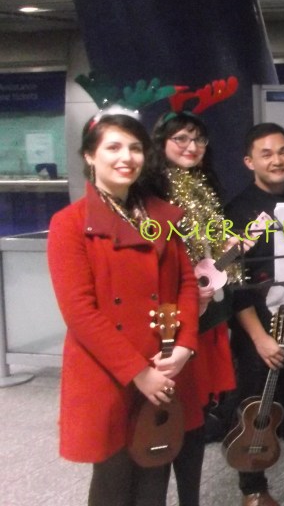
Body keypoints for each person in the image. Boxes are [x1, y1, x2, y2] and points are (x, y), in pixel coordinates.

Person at [48, 110, 200, 506]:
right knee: (113, 481)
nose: (126, 157)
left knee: (155, 470)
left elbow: (185, 284)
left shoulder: (161, 215)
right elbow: (79, 312)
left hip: (164, 361)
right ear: (89, 155)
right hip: (109, 371)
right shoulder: (69, 224)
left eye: (135, 148)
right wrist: (138, 372)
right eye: (113, 147)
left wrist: (185, 345)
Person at [225, 123, 284, 506]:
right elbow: (232, 284)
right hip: (256, 322)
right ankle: (253, 486)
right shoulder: (236, 209)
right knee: (254, 403)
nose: (277, 160)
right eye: (266, 154)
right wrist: (258, 338)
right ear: (250, 162)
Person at [152, 109, 239, 506]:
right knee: (170, 409)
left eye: (199, 139)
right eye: (182, 139)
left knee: (196, 410)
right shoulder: (152, 190)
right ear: (161, 142)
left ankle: (190, 496)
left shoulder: (204, 184)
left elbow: (212, 251)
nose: (192, 146)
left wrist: (230, 249)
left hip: (209, 309)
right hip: (172, 315)